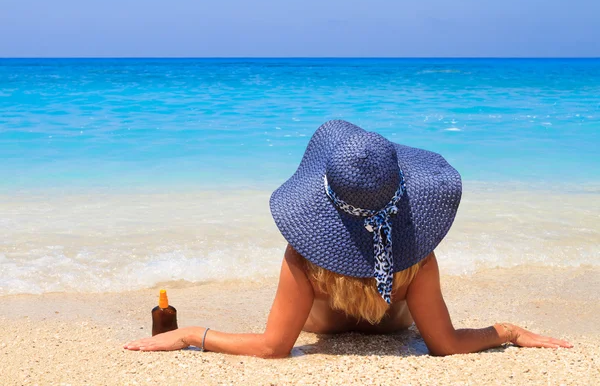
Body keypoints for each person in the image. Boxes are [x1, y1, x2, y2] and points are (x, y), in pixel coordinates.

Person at [123, 120, 572, 358]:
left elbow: (272, 347)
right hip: (396, 329)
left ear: (326, 201)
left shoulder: (304, 256)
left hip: (322, 328)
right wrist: (507, 332)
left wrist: (189, 335)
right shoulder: (416, 256)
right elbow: (446, 345)